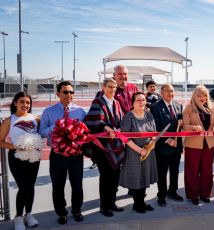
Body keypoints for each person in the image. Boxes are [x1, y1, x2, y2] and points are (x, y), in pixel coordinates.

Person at [39, 81, 86, 225]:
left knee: (77, 184)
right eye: (65, 92)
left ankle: (77, 210)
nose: (69, 95)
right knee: (58, 185)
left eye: (71, 92)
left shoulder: (80, 111)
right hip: (58, 154)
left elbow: (86, 132)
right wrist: (56, 127)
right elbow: (41, 132)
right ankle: (61, 212)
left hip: (76, 155)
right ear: (58, 94)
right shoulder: (49, 111)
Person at [84, 78, 125, 217]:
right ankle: (104, 206)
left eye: (114, 87)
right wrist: (106, 128)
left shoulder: (117, 103)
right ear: (103, 87)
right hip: (102, 148)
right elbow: (92, 121)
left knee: (115, 175)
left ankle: (112, 202)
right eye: (110, 87)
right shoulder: (97, 102)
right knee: (106, 176)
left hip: (116, 146)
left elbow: (121, 120)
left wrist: (119, 129)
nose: (112, 90)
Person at [0, 92, 40, 230]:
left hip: (33, 157)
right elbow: (1, 142)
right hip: (17, 157)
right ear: (15, 103)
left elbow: (40, 136)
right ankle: (18, 217)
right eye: (22, 102)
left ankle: (28, 214)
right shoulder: (8, 121)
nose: (25, 105)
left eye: (28, 102)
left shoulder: (36, 119)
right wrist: (17, 147)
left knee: (31, 186)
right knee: (23, 187)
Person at [119, 92, 158, 213]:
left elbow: (154, 132)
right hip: (134, 153)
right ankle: (137, 204)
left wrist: (151, 143)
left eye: (143, 100)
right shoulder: (128, 117)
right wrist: (140, 150)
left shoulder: (149, 115)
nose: (141, 103)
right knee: (137, 178)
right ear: (133, 103)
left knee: (145, 176)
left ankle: (142, 202)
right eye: (138, 100)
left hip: (148, 151)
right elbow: (125, 138)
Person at [183, 85, 214, 205]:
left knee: (207, 170)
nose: (202, 98)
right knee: (192, 170)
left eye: (204, 95)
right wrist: (194, 127)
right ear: (195, 95)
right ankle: (193, 195)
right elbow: (184, 126)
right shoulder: (189, 107)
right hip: (193, 143)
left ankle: (205, 194)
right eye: (199, 95)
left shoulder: (211, 107)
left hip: (208, 143)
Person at [150, 84, 184, 207]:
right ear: (162, 93)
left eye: (172, 91)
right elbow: (156, 126)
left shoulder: (178, 106)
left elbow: (181, 122)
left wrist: (182, 122)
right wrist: (168, 140)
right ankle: (162, 195)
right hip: (163, 146)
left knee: (175, 171)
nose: (171, 93)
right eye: (168, 91)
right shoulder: (155, 107)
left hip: (176, 146)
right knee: (162, 173)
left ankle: (173, 191)